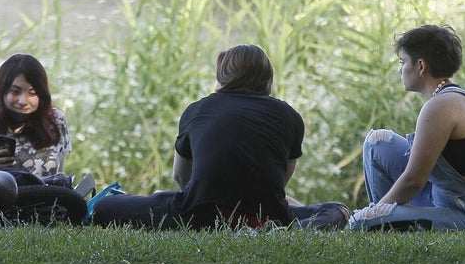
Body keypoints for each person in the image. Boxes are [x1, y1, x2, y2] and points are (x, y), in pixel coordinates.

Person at [90, 44, 348, 230]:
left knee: (105, 208)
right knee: (336, 210)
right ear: (268, 78)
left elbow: (181, 176)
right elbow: (280, 181)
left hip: (197, 214)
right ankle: (296, 231)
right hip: (266, 217)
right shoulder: (289, 115)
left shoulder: (197, 109)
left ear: (223, 77)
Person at [349, 24, 465, 232]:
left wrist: (376, 213)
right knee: (377, 144)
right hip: (442, 199)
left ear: (421, 66)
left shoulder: (441, 106)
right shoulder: (451, 98)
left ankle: (380, 228)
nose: (401, 69)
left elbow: (413, 181)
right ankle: (386, 231)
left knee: (361, 223)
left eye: (403, 61)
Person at [0, 54, 72, 183]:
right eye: (15, 92)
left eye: (32, 93)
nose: (23, 101)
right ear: (2, 91)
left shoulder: (56, 121)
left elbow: (60, 171)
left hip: (47, 199)